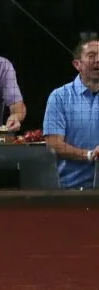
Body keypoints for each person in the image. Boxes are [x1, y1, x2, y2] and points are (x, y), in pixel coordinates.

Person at [42, 40, 99, 191]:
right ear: (77, 64)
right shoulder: (59, 97)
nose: (98, 60)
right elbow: (54, 144)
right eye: (92, 56)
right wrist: (89, 155)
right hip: (71, 190)